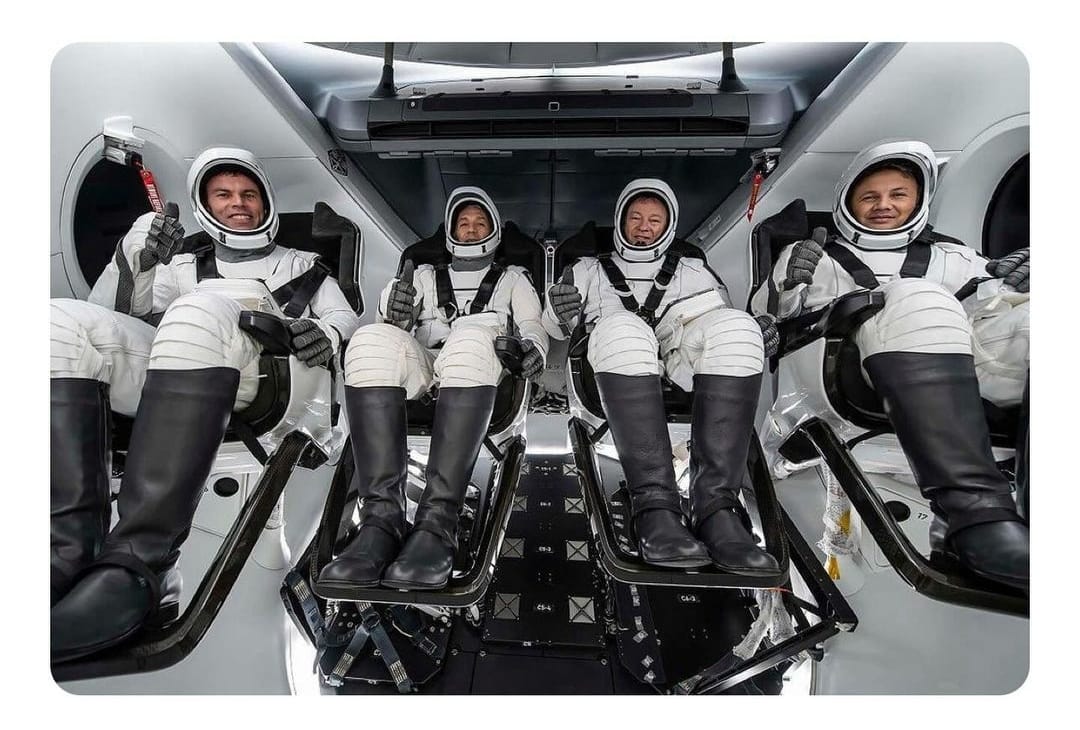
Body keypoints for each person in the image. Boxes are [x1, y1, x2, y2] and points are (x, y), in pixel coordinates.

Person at [50, 147, 362, 660]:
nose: (238, 203)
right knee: (59, 324)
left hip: (275, 378)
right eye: (224, 194)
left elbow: (343, 318)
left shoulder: (302, 265)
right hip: (183, 364)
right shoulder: (178, 267)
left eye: (248, 194)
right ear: (204, 204)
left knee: (195, 310)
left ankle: (142, 567)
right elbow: (111, 316)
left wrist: (325, 332)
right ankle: (64, 556)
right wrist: (135, 259)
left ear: (265, 202)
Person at [750, 139, 1029, 590]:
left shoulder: (955, 256)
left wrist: (1014, 283)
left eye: (898, 195)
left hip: (963, 367)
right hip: (844, 373)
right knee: (917, 297)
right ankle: (970, 516)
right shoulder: (815, 256)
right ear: (848, 201)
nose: (884, 205)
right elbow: (769, 316)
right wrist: (788, 288)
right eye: (870, 196)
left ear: (918, 199)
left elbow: (991, 310)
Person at [541, 178, 780, 575]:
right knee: (624, 328)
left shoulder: (693, 270)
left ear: (668, 226)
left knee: (738, 328)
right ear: (621, 221)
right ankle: (654, 508)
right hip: (615, 359)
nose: (644, 227)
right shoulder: (586, 270)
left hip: (680, 357)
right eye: (635, 218)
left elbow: (721, 320)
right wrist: (558, 309)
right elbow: (554, 327)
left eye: (654, 220)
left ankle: (716, 509)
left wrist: (757, 332)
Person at [317, 186, 547, 591]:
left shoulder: (514, 279)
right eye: (463, 222)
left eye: (480, 223)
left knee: (472, 337)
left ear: (493, 230)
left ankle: (438, 526)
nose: (471, 229)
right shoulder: (422, 275)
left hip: (481, 367)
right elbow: (393, 327)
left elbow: (532, 327)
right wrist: (393, 307)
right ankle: (380, 524)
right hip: (426, 367)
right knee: (370, 340)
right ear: (450, 231)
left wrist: (534, 349)